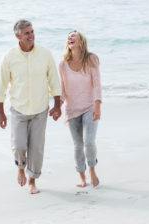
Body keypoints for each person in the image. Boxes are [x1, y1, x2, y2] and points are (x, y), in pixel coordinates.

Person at [0, 19, 62, 194]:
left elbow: (54, 80)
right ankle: (20, 166)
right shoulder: (9, 57)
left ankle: (32, 180)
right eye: (27, 33)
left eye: (32, 31)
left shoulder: (45, 54)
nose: (31, 35)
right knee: (18, 145)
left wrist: (57, 105)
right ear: (17, 35)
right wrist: (0, 113)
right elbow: (1, 86)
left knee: (37, 147)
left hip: (41, 109)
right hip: (19, 109)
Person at [58, 30, 102, 187]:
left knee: (89, 142)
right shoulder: (63, 64)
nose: (70, 37)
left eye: (73, 35)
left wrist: (98, 104)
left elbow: (96, 83)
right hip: (72, 110)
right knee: (77, 145)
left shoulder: (91, 59)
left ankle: (92, 170)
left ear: (81, 40)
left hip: (90, 106)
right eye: (68, 36)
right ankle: (82, 177)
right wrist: (57, 106)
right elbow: (62, 90)